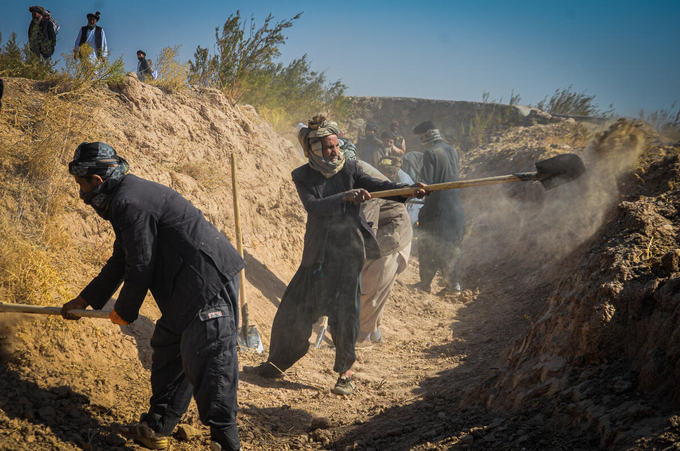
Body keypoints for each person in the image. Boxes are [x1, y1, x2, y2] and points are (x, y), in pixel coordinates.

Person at [61, 142, 244, 451]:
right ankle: (156, 429)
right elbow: (123, 258)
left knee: (209, 357)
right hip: (184, 283)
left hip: (205, 280)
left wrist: (126, 310)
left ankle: (226, 442)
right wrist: (85, 299)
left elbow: (140, 264)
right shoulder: (127, 196)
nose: (80, 192)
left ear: (97, 181)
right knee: (169, 349)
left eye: (81, 183)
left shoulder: (128, 202)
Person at [243, 116, 426, 395]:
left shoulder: (351, 169)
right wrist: (344, 197)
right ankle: (275, 366)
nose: (334, 151)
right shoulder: (303, 176)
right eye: (328, 147)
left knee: (346, 317)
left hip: (348, 256)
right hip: (316, 257)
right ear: (314, 150)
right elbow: (313, 206)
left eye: (336, 145)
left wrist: (408, 191)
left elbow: (383, 188)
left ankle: (345, 376)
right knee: (290, 313)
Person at [353, 164, 413, 347]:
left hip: (390, 238)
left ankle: (360, 340)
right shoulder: (352, 169)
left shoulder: (363, 185)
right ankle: (374, 334)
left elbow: (366, 228)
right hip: (381, 232)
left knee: (371, 289)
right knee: (372, 288)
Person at [411, 121, 465, 295]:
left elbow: (427, 186)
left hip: (437, 211)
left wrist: (415, 191)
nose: (421, 141)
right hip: (456, 209)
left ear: (428, 135)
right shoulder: (452, 151)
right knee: (450, 247)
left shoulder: (430, 153)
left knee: (427, 245)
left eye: (421, 138)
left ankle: (425, 285)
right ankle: (454, 286)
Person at [377, 156, 422, 225]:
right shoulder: (396, 174)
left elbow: (402, 203)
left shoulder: (403, 181)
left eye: (382, 172)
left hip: (413, 211)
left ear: (391, 174)